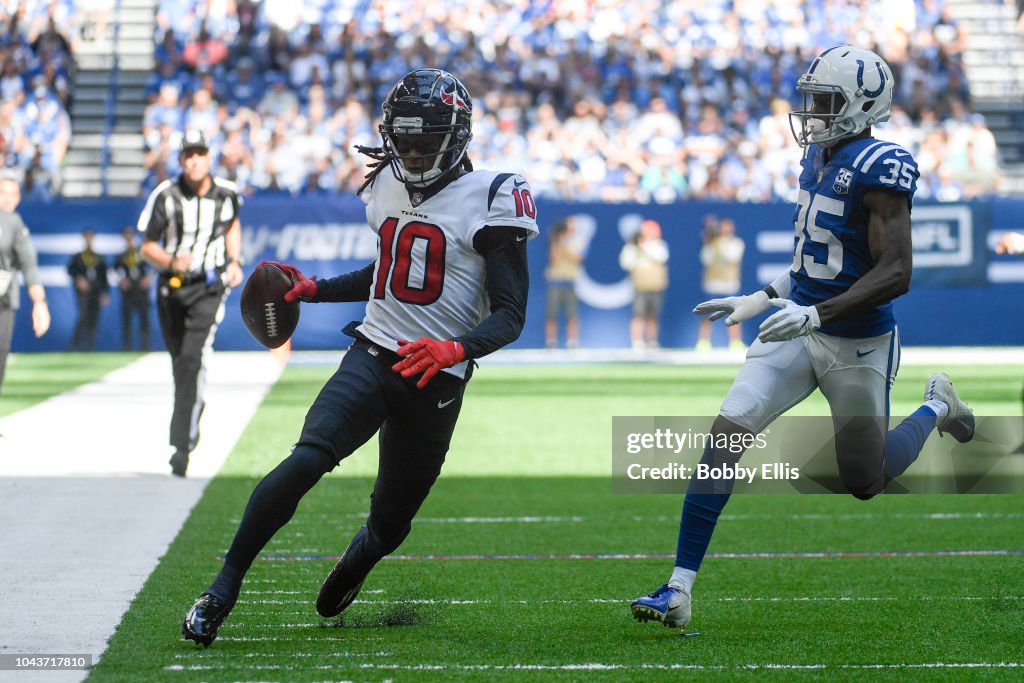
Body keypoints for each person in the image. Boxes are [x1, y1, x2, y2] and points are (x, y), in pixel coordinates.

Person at [181, 68, 536, 647]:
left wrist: (454, 347)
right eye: (406, 138)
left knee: (392, 523)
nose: (414, 151)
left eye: (427, 140)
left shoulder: (494, 194)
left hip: (436, 375)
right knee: (306, 458)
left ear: (458, 135)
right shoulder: (385, 183)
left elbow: (510, 314)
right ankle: (221, 589)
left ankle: (362, 555)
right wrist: (317, 289)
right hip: (373, 351)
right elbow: (394, 274)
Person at [630, 46, 976, 630]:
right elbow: (811, 262)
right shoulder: (817, 156)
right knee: (726, 435)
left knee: (863, 480)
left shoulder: (883, 165)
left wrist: (817, 316)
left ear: (864, 106)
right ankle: (679, 587)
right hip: (796, 322)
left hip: (856, 340)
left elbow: (896, 272)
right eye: (812, 99)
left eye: (826, 101)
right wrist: (760, 297)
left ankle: (937, 402)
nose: (812, 113)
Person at [138, 129, 244, 477]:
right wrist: (171, 262)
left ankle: (181, 444)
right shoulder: (166, 195)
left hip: (209, 287)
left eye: (199, 153)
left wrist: (234, 260)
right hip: (172, 287)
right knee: (180, 364)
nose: (194, 160)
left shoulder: (227, 193)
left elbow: (232, 225)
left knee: (191, 359)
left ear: (209, 156)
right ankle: (191, 411)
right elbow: (147, 245)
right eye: (188, 154)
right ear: (181, 159)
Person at [0, 171, 49, 397]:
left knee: (1, 353)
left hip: (4, 299)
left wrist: (39, 302)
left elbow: (29, 263)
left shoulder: (14, 223)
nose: (7, 199)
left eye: (12, 194)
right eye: (2, 193)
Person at [696, 216, 746, 352]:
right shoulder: (710, 244)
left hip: (730, 283)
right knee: (707, 313)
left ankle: (735, 342)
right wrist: (709, 241)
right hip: (712, 283)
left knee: (734, 314)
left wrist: (717, 243)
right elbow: (706, 260)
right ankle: (703, 342)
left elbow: (731, 258)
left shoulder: (736, 243)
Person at [619, 219, 668, 350]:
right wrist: (635, 247)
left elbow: (661, 257)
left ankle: (652, 341)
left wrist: (643, 246)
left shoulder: (660, 245)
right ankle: (637, 341)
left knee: (653, 315)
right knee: (638, 314)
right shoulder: (632, 247)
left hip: (655, 286)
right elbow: (625, 263)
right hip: (640, 286)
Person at [67, 228, 110, 352]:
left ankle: (89, 347)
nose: (89, 240)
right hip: (83, 293)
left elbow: (104, 277)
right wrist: (79, 279)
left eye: (91, 237)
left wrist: (105, 293)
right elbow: (71, 271)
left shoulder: (99, 257)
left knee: (94, 319)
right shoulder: (78, 257)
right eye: (87, 237)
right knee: (83, 317)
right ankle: (74, 346)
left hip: (96, 292)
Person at [545, 216, 582, 348]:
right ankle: (551, 342)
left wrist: (565, 246)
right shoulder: (555, 240)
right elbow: (553, 259)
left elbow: (578, 258)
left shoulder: (577, 240)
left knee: (572, 313)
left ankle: (572, 341)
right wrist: (557, 242)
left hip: (570, 279)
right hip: (556, 279)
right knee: (551, 313)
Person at [114, 225, 152, 351]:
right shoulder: (121, 255)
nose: (129, 238)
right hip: (128, 291)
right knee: (127, 320)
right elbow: (116, 270)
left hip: (141, 289)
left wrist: (148, 279)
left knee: (144, 319)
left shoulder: (141, 253)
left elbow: (152, 267)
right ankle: (127, 347)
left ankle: (144, 347)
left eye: (130, 235)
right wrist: (122, 280)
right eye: (126, 236)